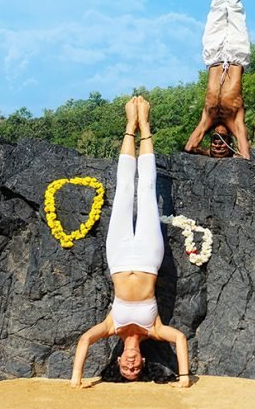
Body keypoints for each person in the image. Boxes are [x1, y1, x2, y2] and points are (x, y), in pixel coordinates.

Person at [70, 96, 191, 389]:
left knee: (124, 190)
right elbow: (180, 338)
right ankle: (145, 126)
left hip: (120, 257)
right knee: (147, 191)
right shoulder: (155, 329)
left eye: (126, 368)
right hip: (149, 258)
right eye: (136, 370)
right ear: (144, 364)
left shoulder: (112, 326)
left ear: (119, 361)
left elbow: (85, 339)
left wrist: (77, 378)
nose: (131, 365)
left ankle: (129, 126)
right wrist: (184, 378)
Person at [184, 0, 252, 160]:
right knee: (234, 5)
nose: (219, 141)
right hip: (236, 54)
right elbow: (245, 156)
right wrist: (231, 154)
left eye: (216, 141)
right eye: (221, 142)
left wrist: (207, 152)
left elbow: (190, 147)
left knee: (216, 4)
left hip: (213, 56)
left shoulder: (208, 117)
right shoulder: (236, 119)